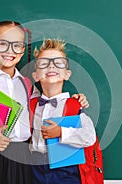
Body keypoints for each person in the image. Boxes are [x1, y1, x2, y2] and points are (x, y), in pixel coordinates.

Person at [0, 21, 89, 184]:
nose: (10, 51)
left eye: (16, 45)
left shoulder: (28, 86)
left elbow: (47, 104)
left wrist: (76, 100)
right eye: (3, 44)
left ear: (22, 50)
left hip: (25, 160)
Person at [30, 39, 96, 184]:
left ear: (67, 74)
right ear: (35, 76)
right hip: (34, 171)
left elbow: (89, 136)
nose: (51, 66)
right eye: (44, 63)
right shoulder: (31, 105)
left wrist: (61, 132)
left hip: (66, 171)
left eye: (58, 63)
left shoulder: (74, 105)